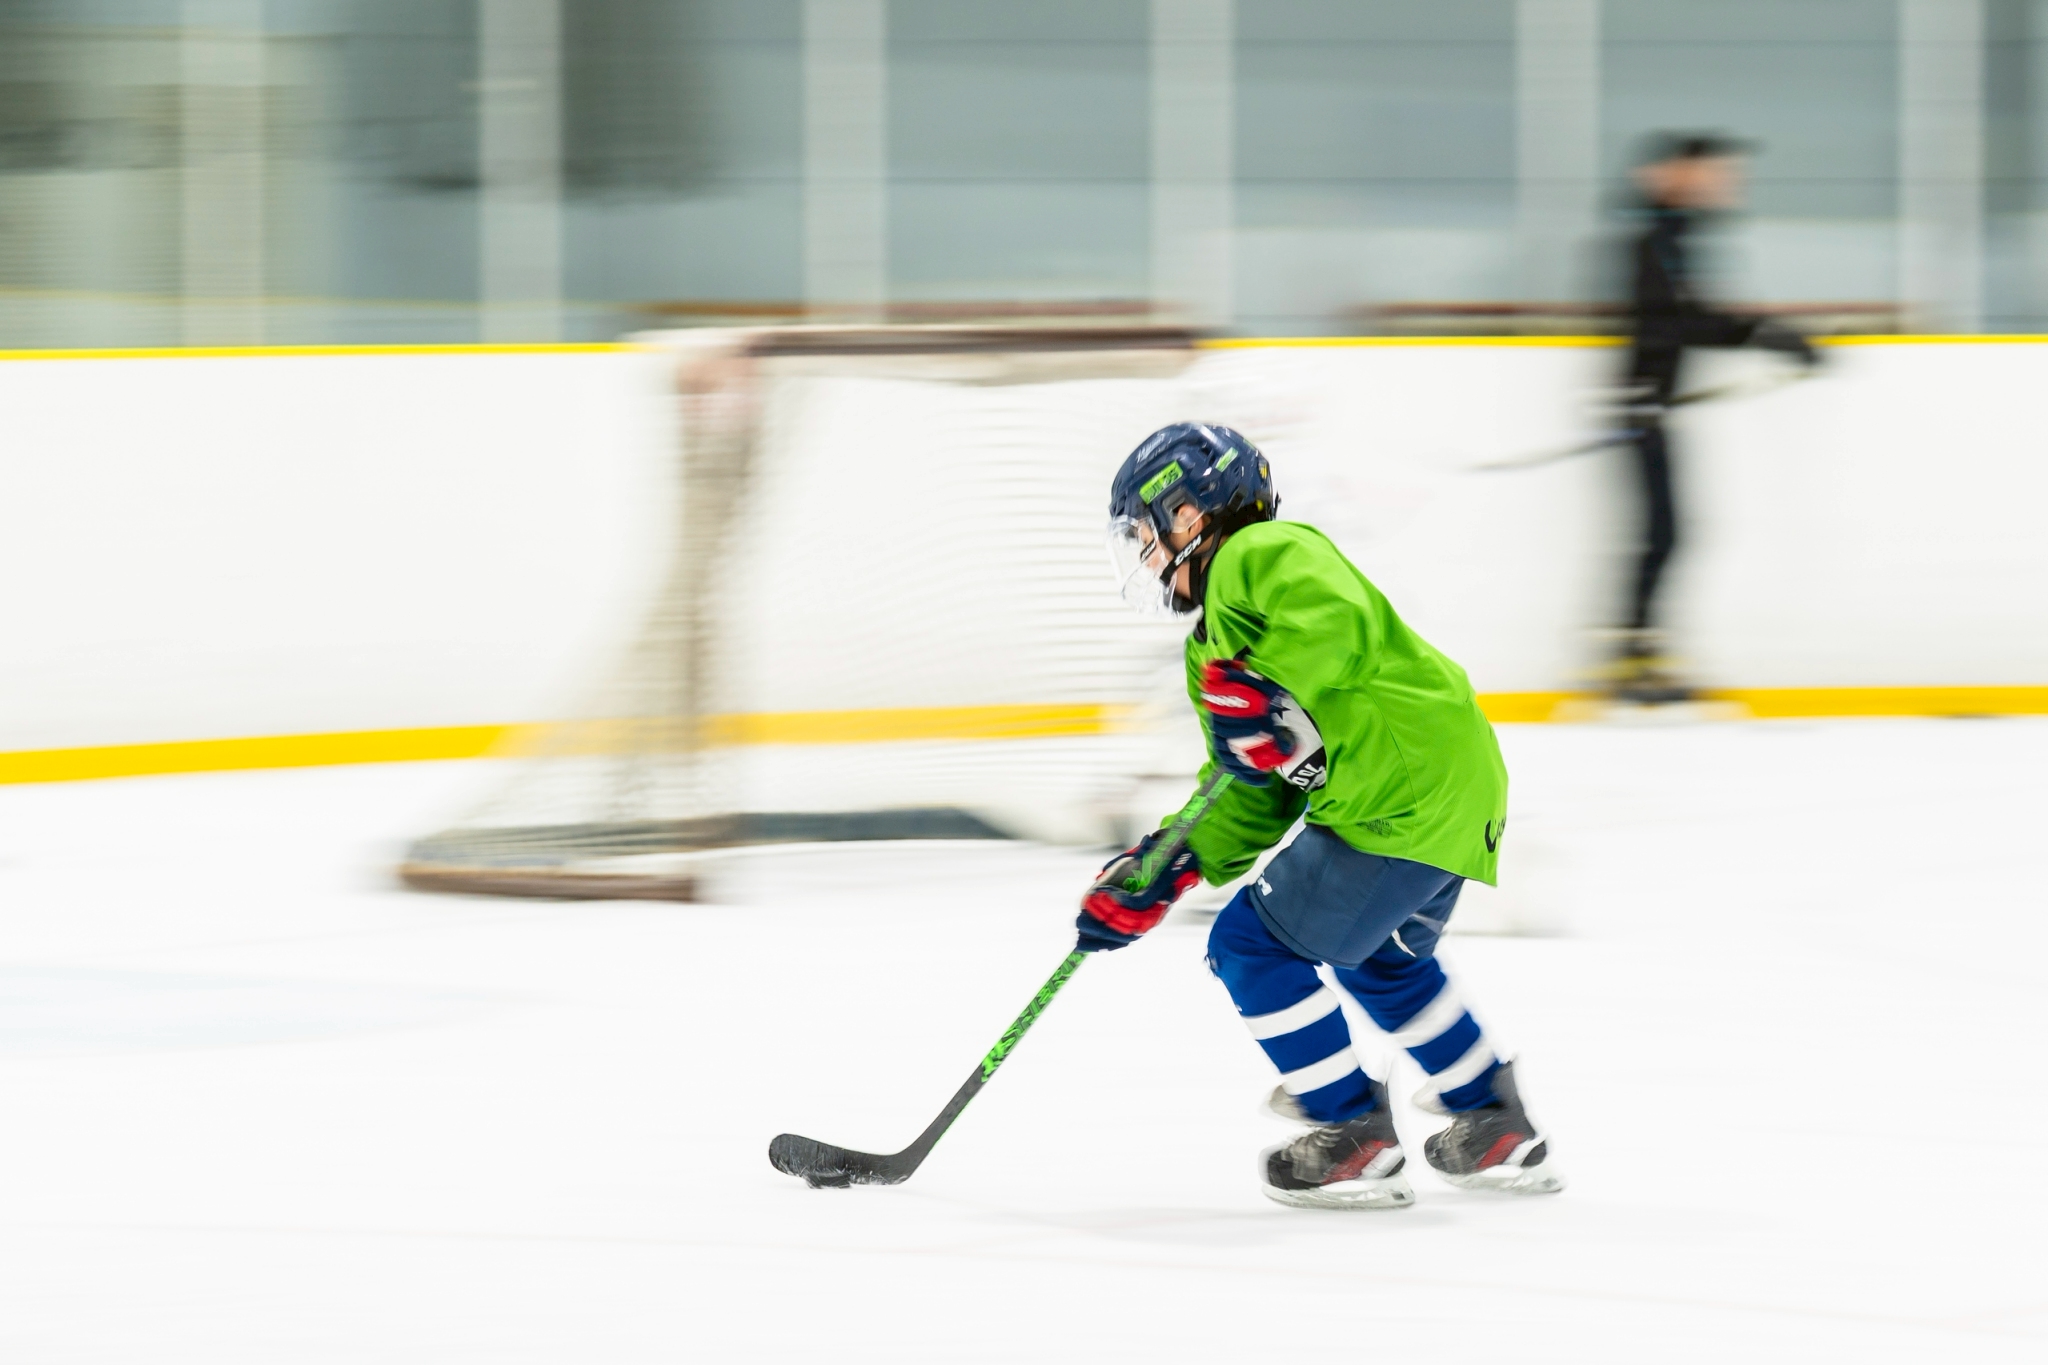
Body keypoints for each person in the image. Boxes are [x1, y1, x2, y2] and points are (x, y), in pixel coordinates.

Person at [1079, 422, 1563, 1209]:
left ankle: (1353, 1134)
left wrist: (1264, 689)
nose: (1144, 553)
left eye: (1145, 531)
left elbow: (1333, 624)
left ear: (1189, 513)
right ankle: (1494, 1121)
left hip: (1398, 795)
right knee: (1384, 961)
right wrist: (1168, 863)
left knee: (1248, 946)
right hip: (1448, 790)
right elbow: (1249, 785)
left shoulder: (1263, 553)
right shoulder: (1209, 657)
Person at [1613, 132, 1821, 702]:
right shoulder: (1655, 237)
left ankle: (1636, 652)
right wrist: (1767, 333)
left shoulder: (1672, 234)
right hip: (1641, 406)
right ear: (1677, 173)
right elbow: (1680, 318)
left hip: (1650, 405)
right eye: (1715, 172)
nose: (1726, 183)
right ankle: (1631, 658)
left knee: (1665, 532)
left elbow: (1686, 316)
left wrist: (1764, 333)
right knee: (1663, 532)